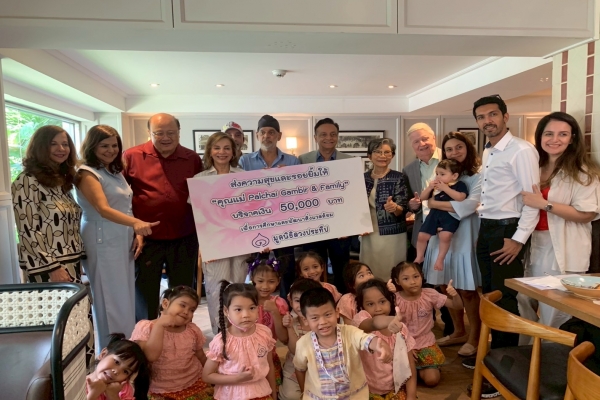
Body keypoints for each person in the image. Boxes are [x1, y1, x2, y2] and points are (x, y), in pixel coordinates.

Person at [75, 125, 159, 350]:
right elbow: (103, 209)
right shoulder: (86, 173)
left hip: (121, 237)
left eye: (114, 145)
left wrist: (135, 232)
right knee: (108, 297)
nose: (111, 150)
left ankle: (126, 346)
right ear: (92, 146)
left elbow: (125, 206)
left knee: (124, 295)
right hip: (101, 238)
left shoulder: (113, 171)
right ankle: (110, 350)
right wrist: (136, 223)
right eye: (104, 145)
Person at [518, 112, 600, 329]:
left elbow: (587, 214)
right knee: (523, 300)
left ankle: (550, 350)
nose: (554, 139)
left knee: (554, 310)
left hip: (562, 247)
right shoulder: (533, 167)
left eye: (562, 134)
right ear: (540, 136)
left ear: (572, 139)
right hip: (531, 243)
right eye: (549, 134)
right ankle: (528, 348)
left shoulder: (583, 173)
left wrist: (544, 204)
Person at [473, 95, 539, 348]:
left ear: (505, 117)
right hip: (486, 227)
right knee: (490, 294)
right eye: (481, 117)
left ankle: (506, 358)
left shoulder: (521, 150)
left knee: (505, 298)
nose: (487, 121)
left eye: (493, 114)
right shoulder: (488, 151)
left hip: (507, 229)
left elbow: (532, 199)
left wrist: (518, 239)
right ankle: (494, 352)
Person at [123, 113, 202, 321]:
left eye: (171, 133)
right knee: (144, 293)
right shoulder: (131, 157)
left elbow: (204, 195)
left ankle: (180, 332)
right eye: (159, 133)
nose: (165, 138)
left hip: (185, 236)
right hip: (146, 239)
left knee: (182, 294)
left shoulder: (192, 159)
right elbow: (120, 198)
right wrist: (133, 228)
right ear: (149, 133)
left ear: (179, 132)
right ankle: (145, 333)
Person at [422, 132, 482, 358]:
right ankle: (458, 331)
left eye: (459, 147)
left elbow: (469, 206)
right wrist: (432, 204)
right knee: (443, 284)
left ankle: (475, 336)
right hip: (440, 233)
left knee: (466, 289)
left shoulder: (477, 176)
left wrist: (435, 203)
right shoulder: (441, 172)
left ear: (468, 149)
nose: (454, 152)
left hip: (465, 234)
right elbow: (426, 202)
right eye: (449, 149)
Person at [12, 125, 84, 283]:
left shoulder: (60, 181)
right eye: (53, 144)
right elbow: (28, 229)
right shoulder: (27, 180)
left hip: (70, 262)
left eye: (65, 144)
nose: (61, 149)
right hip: (48, 268)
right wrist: (53, 267)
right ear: (41, 147)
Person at [238, 114, 300, 299]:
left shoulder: (292, 161)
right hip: (256, 223)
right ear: (257, 135)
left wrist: (285, 179)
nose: (267, 136)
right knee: (256, 269)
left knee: (286, 267)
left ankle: (285, 304)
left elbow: (299, 192)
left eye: (271, 132)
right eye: (263, 132)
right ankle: (256, 304)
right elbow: (239, 193)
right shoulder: (245, 161)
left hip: (284, 223)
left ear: (279, 136)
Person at [402, 123, 454, 338]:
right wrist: (411, 205)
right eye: (416, 141)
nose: (421, 144)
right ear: (412, 146)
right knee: (425, 279)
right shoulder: (408, 170)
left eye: (425, 139)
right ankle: (426, 323)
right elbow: (410, 203)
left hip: (450, 228)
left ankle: (453, 325)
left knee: (448, 278)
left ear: (434, 138)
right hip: (423, 229)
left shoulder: (450, 160)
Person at [293, 287, 393, 399]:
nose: (323, 322)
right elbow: (299, 369)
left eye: (327, 315)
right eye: (315, 318)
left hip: (355, 396)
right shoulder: (303, 344)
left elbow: (365, 339)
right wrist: (304, 392)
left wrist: (381, 345)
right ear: (305, 319)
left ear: (337, 312)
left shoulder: (350, 332)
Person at [193, 132, 248, 334]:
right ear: (209, 151)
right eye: (217, 148)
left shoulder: (243, 176)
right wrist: (202, 245)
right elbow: (198, 216)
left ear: (233, 152)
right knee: (217, 290)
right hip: (214, 243)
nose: (222, 152)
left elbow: (253, 209)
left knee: (238, 288)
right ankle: (220, 336)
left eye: (226, 148)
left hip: (241, 240)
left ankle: (239, 333)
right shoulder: (199, 180)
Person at [298, 118, 353, 293]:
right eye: (323, 134)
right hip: (314, 224)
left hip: (340, 226)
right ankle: (316, 300)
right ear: (315, 137)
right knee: (314, 268)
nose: (328, 138)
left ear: (337, 137)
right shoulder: (303, 160)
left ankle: (343, 302)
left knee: (342, 268)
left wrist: (350, 225)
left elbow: (352, 194)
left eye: (332, 134)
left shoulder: (349, 160)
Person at [130, 286, 213, 400]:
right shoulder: (145, 327)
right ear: (165, 304)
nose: (186, 312)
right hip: (159, 389)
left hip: (193, 381)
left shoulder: (192, 330)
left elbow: (201, 356)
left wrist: (212, 373)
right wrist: (160, 325)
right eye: (182, 305)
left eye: (192, 310)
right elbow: (150, 356)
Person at [388, 262, 463, 387]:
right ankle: (414, 370)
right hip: (402, 343)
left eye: (416, 276)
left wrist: (454, 295)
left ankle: (421, 369)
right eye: (406, 278)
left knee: (432, 380)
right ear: (397, 281)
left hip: (425, 343)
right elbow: (387, 324)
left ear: (421, 276)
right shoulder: (394, 299)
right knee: (393, 380)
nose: (413, 282)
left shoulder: (430, 294)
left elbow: (457, 306)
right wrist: (387, 294)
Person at [203, 281, 278, 400]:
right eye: (238, 309)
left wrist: (273, 393)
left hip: (261, 391)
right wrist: (238, 378)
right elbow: (207, 376)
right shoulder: (221, 342)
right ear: (226, 311)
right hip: (230, 395)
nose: (246, 315)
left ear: (258, 307)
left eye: (252, 308)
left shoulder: (264, 333)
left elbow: (269, 365)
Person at [353, 279, 417, 400]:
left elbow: (410, 365)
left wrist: (411, 396)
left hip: (394, 390)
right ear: (362, 307)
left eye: (382, 301)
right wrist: (390, 320)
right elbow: (374, 323)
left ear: (390, 301)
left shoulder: (401, 329)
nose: (378, 308)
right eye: (370, 304)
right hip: (365, 392)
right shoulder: (360, 322)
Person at [360, 138, 409, 280]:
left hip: (393, 234)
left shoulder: (399, 177)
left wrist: (395, 207)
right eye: (378, 152)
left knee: (391, 271)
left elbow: (403, 207)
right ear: (369, 156)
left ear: (392, 155)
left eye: (387, 152)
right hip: (368, 232)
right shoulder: (362, 178)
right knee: (370, 269)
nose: (383, 156)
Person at [414, 159, 468, 270]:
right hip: (434, 214)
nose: (438, 177)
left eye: (442, 174)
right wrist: (429, 188)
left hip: (450, 216)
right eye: (437, 173)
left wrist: (445, 188)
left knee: (445, 236)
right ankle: (419, 256)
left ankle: (440, 259)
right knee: (422, 235)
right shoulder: (435, 185)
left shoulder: (459, 185)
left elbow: (460, 197)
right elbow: (422, 198)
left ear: (454, 176)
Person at [247, 254, 289, 387]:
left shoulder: (280, 304)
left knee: (271, 387)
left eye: (271, 281)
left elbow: (284, 338)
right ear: (252, 278)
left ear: (278, 281)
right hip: (245, 356)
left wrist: (275, 312)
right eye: (260, 281)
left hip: (269, 356)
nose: (265, 286)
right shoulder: (245, 301)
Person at [280, 278, 322, 400]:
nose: (302, 305)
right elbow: (294, 350)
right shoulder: (291, 320)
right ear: (291, 301)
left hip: (320, 369)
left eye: (307, 300)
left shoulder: (322, 321)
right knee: (291, 396)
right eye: (298, 301)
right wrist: (289, 327)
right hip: (294, 369)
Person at [86, 333, 150, 400]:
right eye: (116, 362)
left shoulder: (123, 389)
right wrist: (93, 394)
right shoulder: (81, 384)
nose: (116, 371)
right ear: (103, 354)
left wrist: (113, 396)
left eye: (125, 371)